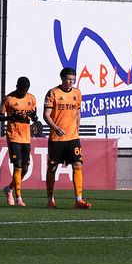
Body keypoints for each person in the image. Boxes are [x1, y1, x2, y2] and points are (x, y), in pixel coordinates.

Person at [45, 67, 91, 209]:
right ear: (62, 79)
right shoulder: (53, 92)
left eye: (73, 79)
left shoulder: (77, 93)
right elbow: (46, 115)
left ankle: (78, 200)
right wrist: (56, 128)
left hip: (72, 138)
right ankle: (50, 199)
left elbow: (77, 113)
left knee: (77, 165)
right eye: (68, 79)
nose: (71, 82)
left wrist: (77, 128)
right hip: (57, 138)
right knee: (52, 168)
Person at [0, 76, 38, 206]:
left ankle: (9, 189)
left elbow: (35, 118)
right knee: (18, 166)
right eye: (21, 90)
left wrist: (33, 117)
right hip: (13, 135)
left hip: (26, 137)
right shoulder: (9, 98)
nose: (23, 92)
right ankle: (18, 198)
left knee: (25, 168)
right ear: (17, 87)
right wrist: (11, 117)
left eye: (25, 90)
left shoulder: (31, 98)